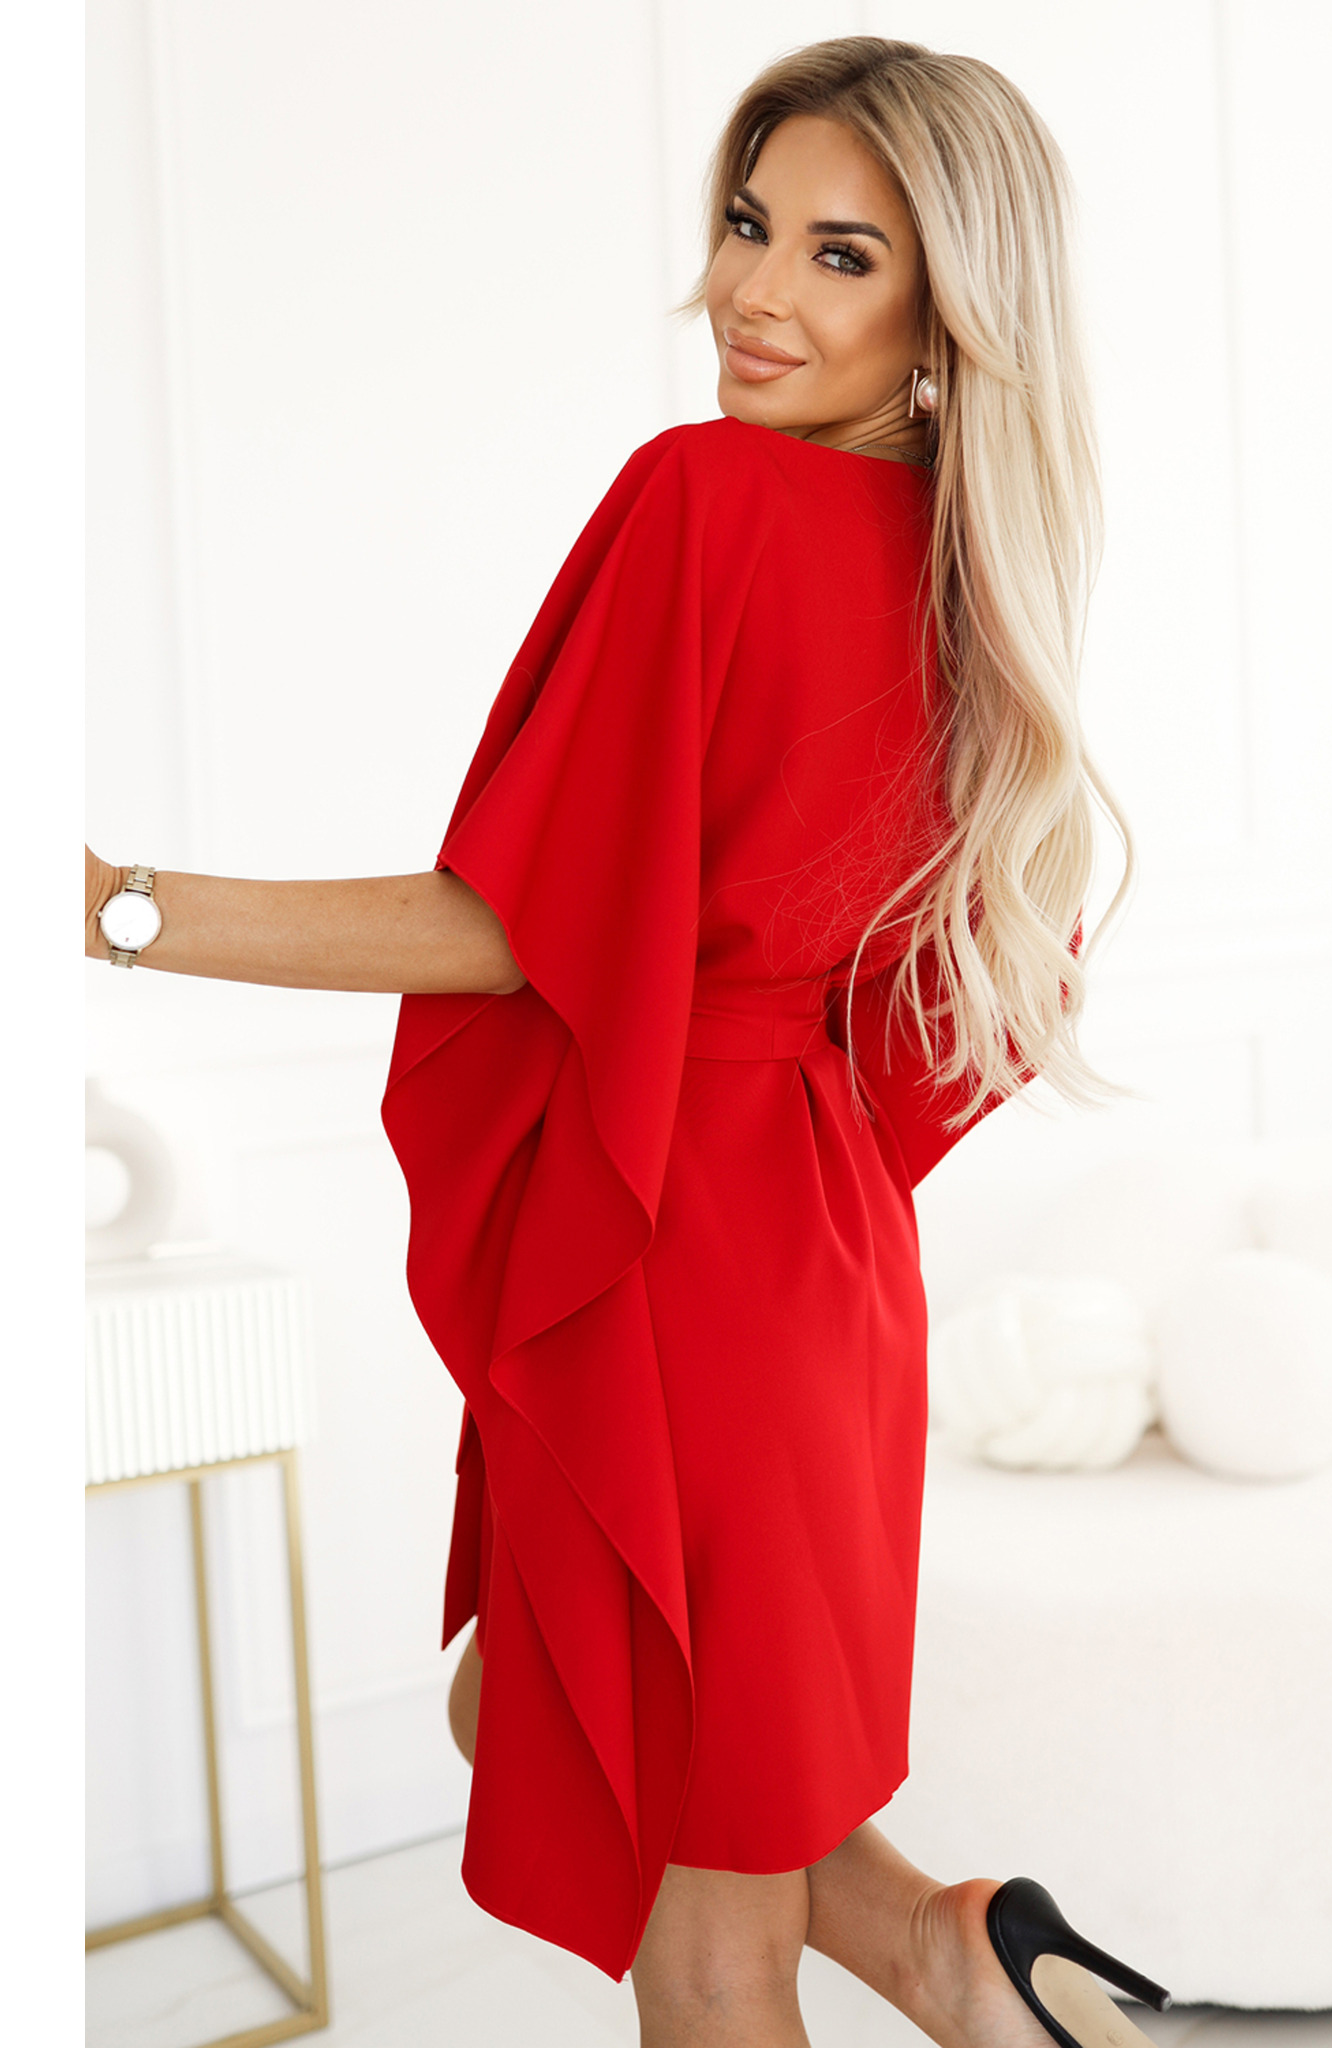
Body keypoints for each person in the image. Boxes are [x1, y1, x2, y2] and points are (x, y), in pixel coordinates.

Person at [85, 35, 1171, 2048]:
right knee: (555, 1714)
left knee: (701, 1924)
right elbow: (945, 999)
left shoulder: (707, 498)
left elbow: (515, 932)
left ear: (948, 308)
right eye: (752, 223)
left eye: (842, 254)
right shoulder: (973, 573)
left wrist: (113, 906)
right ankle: (955, 1951)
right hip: (818, 1256)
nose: (755, 290)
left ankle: (947, 1955)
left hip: (682, 1253)